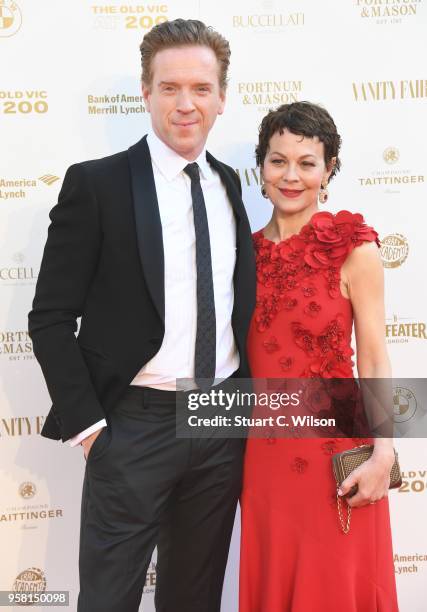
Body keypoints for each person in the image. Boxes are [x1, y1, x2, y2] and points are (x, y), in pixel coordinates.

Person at [28, 19, 255, 612]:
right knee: (108, 599)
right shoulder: (97, 184)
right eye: (171, 87)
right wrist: (91, 429)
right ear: (146, 92)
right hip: (133, 420)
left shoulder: (229, 184)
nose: (186, 104)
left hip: (220, 412)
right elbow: (50, 316)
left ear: (222, 98)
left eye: (201, 89)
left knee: (194, 597)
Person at [239, 102, 399, 611]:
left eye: (307, 163)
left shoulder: (354, 248)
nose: (291, 176)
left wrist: (385, 452)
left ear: (329, 171)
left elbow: (373, 357)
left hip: (337, 456)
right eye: (277, 160)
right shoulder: (241, 255)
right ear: (259, 167)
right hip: (262, 460)